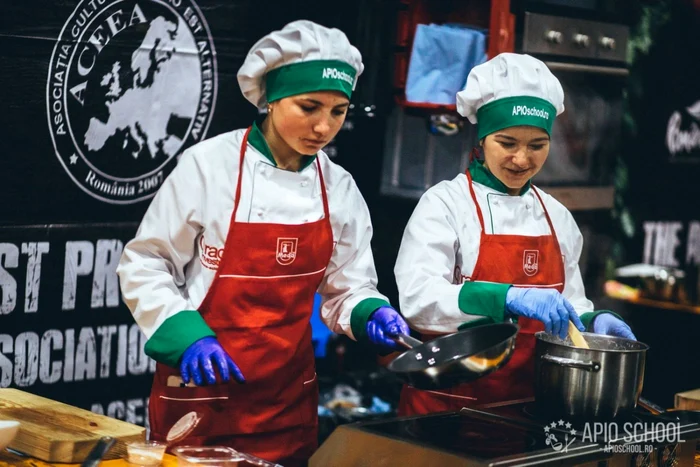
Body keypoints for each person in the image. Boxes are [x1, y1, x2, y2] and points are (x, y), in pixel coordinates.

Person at [116, 20, 408, 466]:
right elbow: (146, 263)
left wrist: (371, 311)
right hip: (202, 396)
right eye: (309, 106)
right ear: (270, 99)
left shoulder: (339, 188)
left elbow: (348, 286)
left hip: (286, 403)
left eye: (338, 111)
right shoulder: (207, 168)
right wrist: (187, 337)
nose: (323, 127)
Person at [393, 53, 635, 416]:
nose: (522, 159)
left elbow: (571, 303)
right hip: (447, 410)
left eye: (537, 146)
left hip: (529, 410)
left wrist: (591, 321)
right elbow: (419, 301)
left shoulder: (556, 217)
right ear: (483, 137)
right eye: (507, 143)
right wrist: (505, 297)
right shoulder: (444, 204)